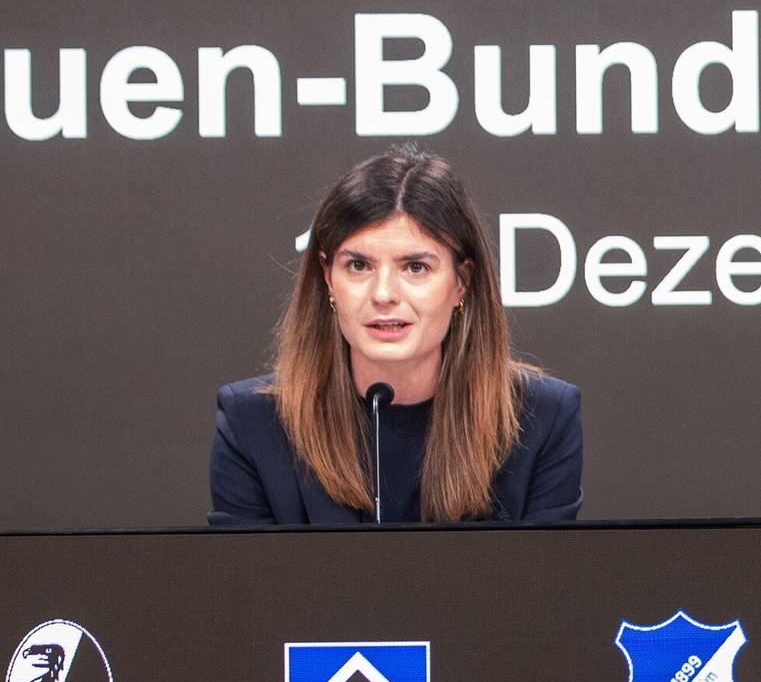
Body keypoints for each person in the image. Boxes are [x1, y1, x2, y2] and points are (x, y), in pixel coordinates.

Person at [210, 147, 582, 526]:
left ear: (461, 283)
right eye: (358, 266)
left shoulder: (541, 418)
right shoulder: (252, 422)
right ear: (328, 279)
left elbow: (541, 582)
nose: (383, 293)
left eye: (415, 267)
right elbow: (245, 584)